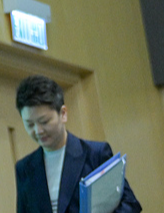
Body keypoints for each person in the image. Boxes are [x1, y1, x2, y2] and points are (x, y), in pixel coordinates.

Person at [15, 75, 142, 213]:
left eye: (44, 122)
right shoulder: (24, 168)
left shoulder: (95, 154)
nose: (38, 131)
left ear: (63, 113)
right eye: (30, 124)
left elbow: (130, 205)